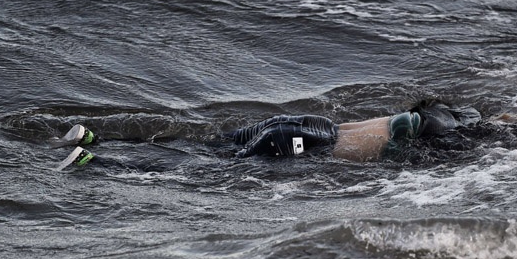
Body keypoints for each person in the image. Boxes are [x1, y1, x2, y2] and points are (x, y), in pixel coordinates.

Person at [53, 101, 482, 170]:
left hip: (308, 124)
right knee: (205, 169)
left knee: (206, 149)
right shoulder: (443, 138)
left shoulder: (435, 113)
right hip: (310, 143)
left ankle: (95, 139)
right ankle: (97, 162)